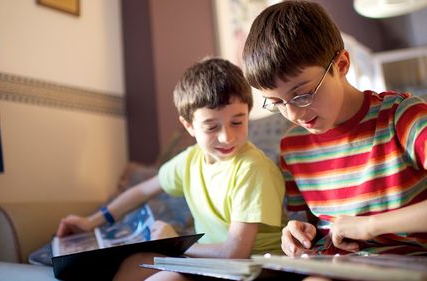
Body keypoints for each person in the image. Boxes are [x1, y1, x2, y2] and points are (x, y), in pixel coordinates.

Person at [56, 57, 286, 280]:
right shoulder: (190, 160)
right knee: (134, 263)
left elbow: (235, 253)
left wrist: (175, 242)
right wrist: (90, 222)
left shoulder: (252, 168)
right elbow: (142, 191)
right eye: (211, 126)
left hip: (254, 269)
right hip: (214, 264)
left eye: (237, 121)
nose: (227, 137)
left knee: (167, 278)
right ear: (189, 126)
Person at [242, 0, 426, 257]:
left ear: (341, 65)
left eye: (302, 94)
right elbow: (310, 227)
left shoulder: (401, 116)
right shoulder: (292, 147)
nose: (293, 114)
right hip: (335, 265)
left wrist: (371, 226)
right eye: (277, 103)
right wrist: (294, 234)